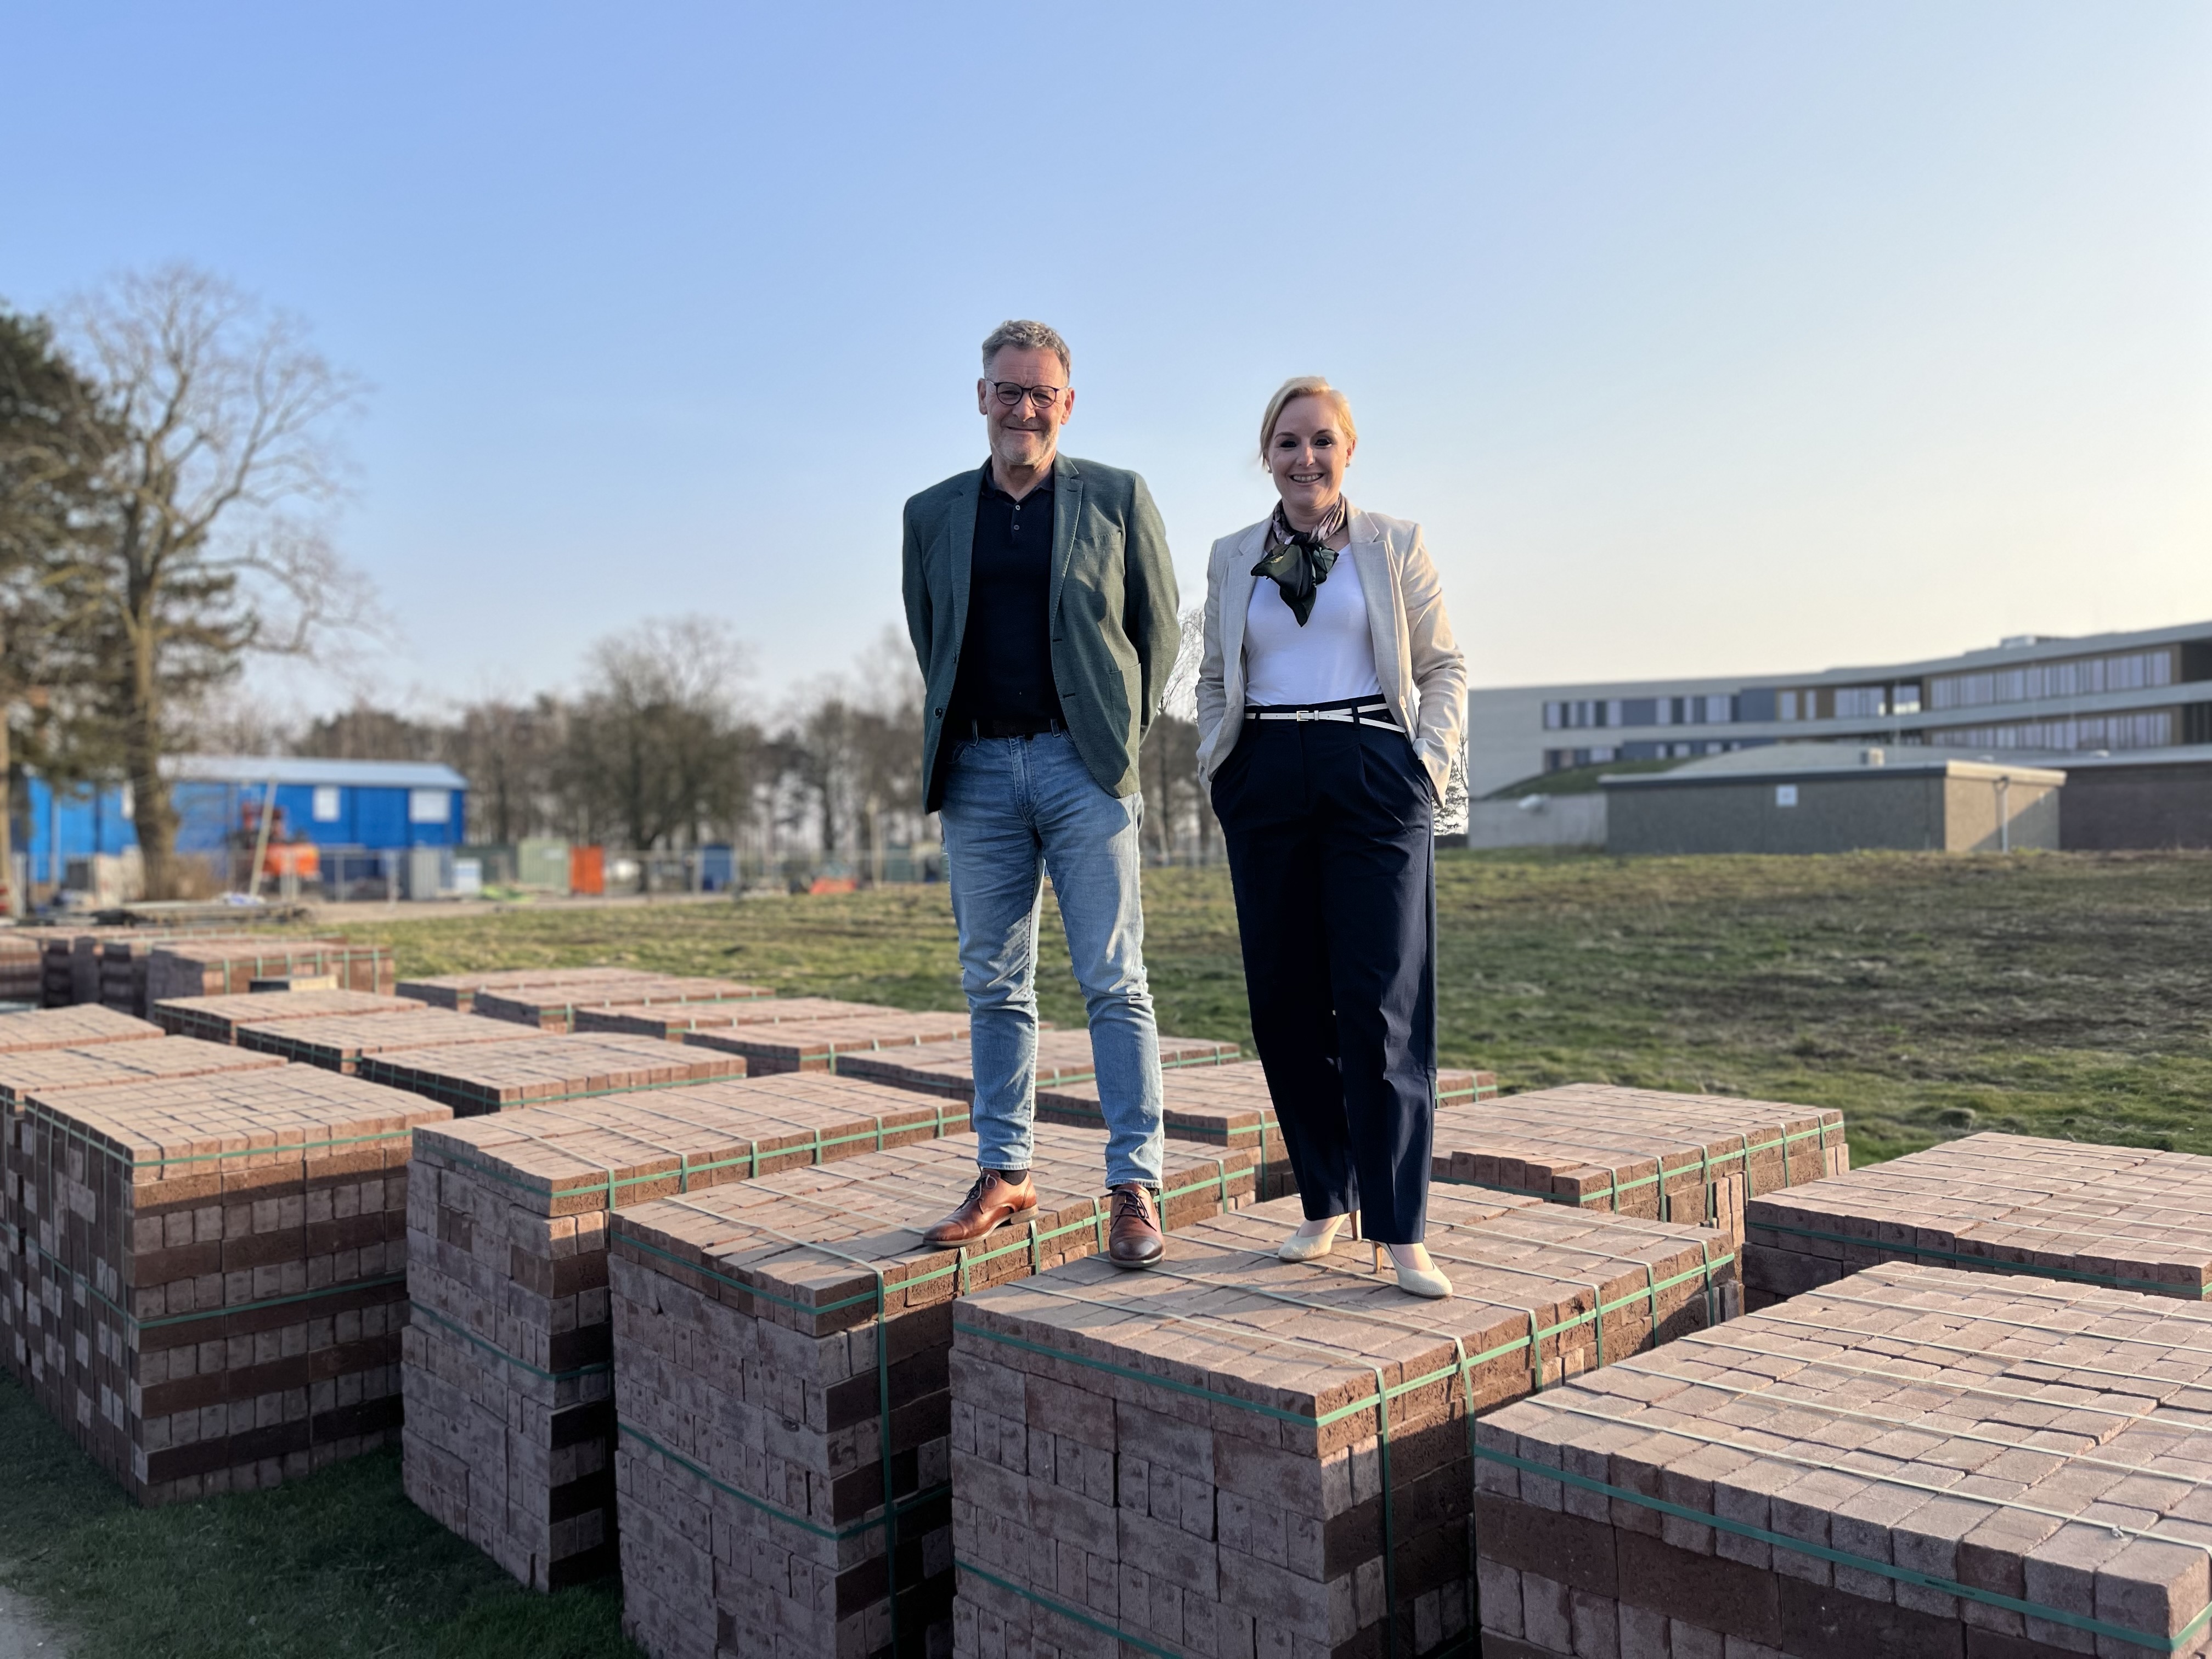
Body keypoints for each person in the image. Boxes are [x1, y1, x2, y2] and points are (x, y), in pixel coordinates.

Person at [901, 320, 1181, 1267]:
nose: (1025, 408)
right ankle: (1005, 1171)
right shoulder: (931, 513)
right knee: (994, 981)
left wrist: (1115, 740)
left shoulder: (1116, 497)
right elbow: (929, 634)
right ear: (981, 396)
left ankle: (1134, 1184)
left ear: (1068, 402)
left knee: (1114, 978)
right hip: (977, 772)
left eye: (1043, 393)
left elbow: (1161, 631)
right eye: (1009, 390)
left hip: (1082, 769)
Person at [1195, 376, 1467, 1297]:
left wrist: (1423, 765)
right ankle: (1325, 1199)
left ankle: (1400, 1227)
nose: (1304, 459)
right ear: (1266, 456)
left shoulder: (1395, 545)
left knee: (1382, 998)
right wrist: (1220, 765)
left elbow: (1443, 664)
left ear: (1348, 450)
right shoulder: (1233, 556)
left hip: (1371, 771)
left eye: (1320, 442)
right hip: (1266, 775)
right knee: (1284, 999)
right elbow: (1210, 675)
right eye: (1286, 444)